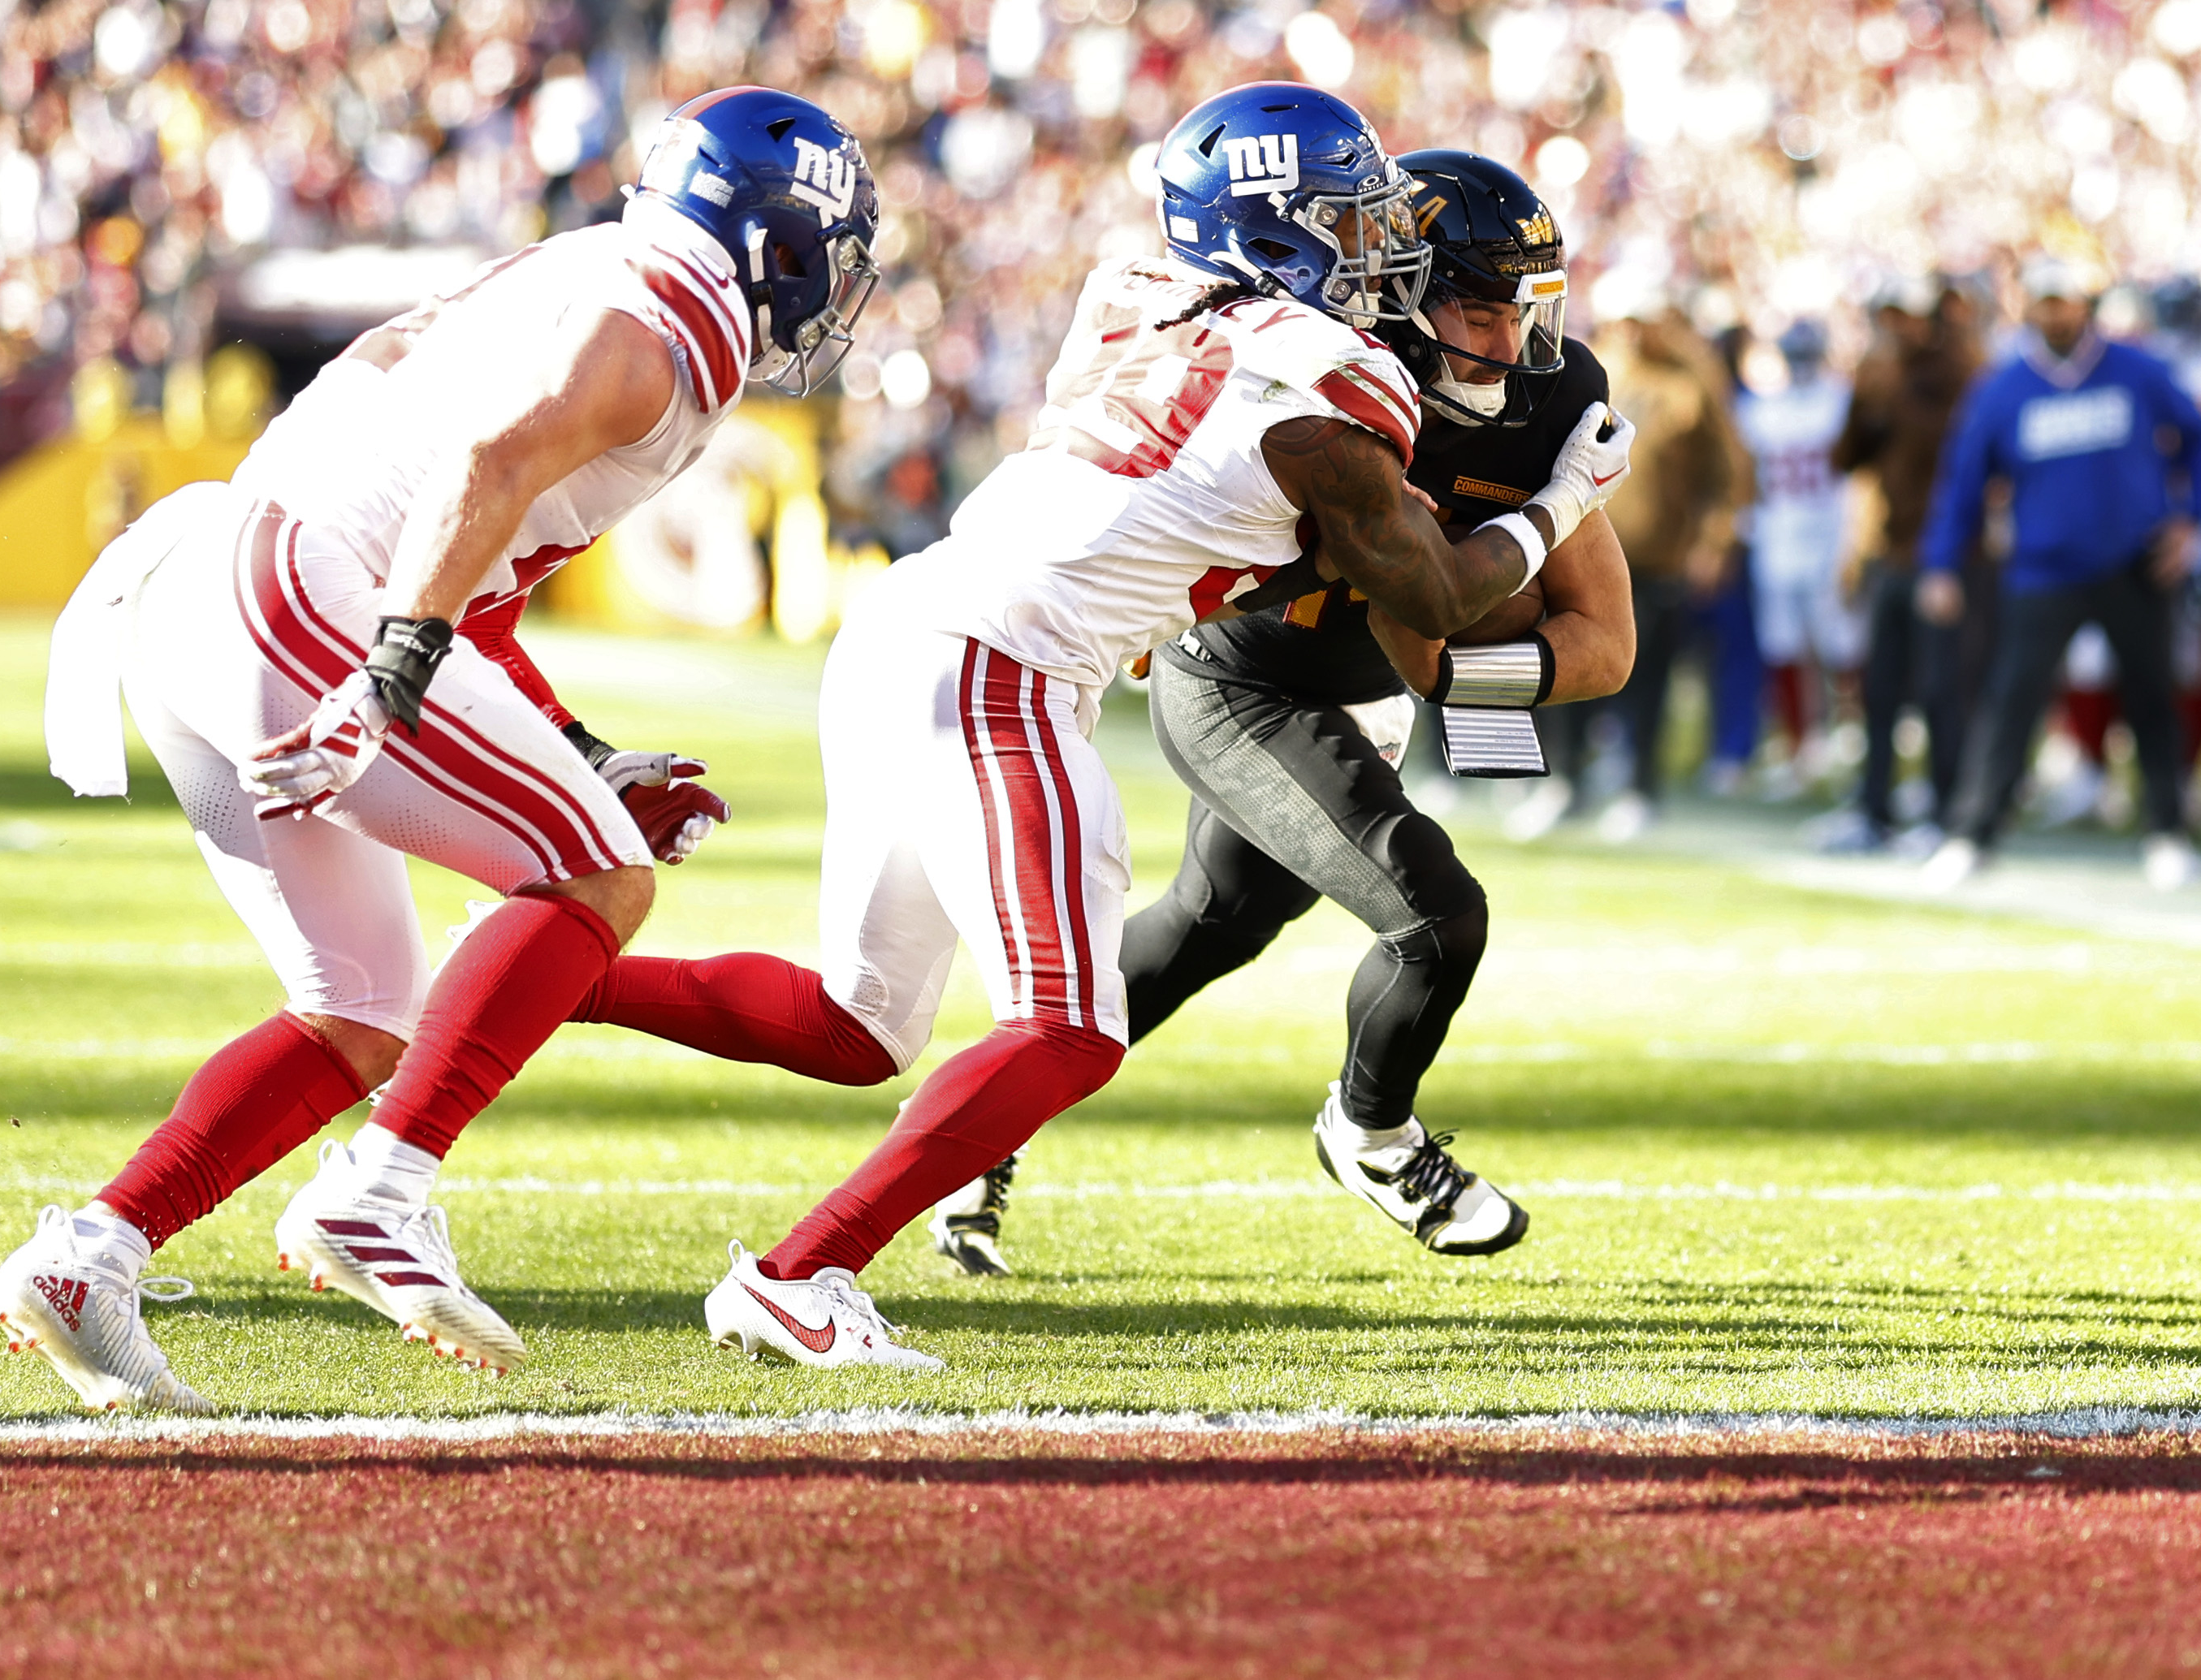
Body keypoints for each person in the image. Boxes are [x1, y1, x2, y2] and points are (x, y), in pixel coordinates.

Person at [565, 85, 1635, 1367]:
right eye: (1350, 224)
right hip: (1017, 664)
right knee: (1074, 1025)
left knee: (865, 1025)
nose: (1380, 252)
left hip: (919, 625)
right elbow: (1434, 596)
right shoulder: (1335, 379)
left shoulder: (1137, 288)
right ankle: (802, 1273)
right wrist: (1559, 498)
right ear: (1272, 237)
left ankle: (529, 978)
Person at [0, 88, 881, 1412]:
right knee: (600, 876)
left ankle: (90, 1252)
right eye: (828, 251)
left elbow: (473, 564)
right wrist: (392, 675)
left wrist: (575, 744)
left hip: (217, 585)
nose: (832, 286)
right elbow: (489, 462)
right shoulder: (672, 318)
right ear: (770, 240)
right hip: (301, 593)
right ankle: (380, 1191)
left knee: (361, 1007)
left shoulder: (590, 267)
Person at [924, 150, 1637, 1278]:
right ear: (1399, 289)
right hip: (1235, 675)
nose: (1509, 346)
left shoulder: (1549, 397)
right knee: (1432, 914)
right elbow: (1424, 598)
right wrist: (1525, 538)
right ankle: (1368, 1133)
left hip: (1359, 694)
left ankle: (976, 1123)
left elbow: (1600, 645)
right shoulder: (1322, 370)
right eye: (1475, 310)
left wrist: (1456, 682)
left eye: (1520, 313)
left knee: (1212, 925)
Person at [1921, 257, 2201, 892]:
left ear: (2087, 302)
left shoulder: (2136, 370)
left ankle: (2166, 832)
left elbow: (2197, 437)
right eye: (2045, 300)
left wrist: (2190, 520)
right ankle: (1973, 833)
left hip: (2132, 563)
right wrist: (1941, 563)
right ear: (2027, 306)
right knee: (2011, 702)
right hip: (2042, 569)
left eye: (2066, 300)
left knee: (2151, 699)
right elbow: (1963, 484)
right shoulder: (2002, 388)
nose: (2056, 312)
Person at [1580, 294, 1753, 843]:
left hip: (1657, 556)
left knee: (1648, 677)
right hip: (1585, 550)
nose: (1628, 330)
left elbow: (1728, 474)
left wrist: (1714, 541)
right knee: (1575, 667)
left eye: (1638, 318)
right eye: (1621, 317)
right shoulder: (1591, 367)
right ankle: (1566, 780)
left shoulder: (1690, 381)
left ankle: (1639, 786)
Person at [1827, 277, 1982, 852]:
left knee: (1943, 688)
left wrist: (1894, 397)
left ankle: (1947, 813)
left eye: (1907, 316)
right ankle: (1875, 810)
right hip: (1889, 551)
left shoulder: (1959, 372)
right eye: (1888, 316)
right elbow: (1845, 457)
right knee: (1881, 688)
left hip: (1944, 552)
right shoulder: (1880, 373)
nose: (1896, 328)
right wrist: (1863, 402)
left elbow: (1956, 453)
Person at [1737, 318, 1863, 800]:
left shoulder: (1842, 401)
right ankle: (1799, 748)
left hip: (1830, 537)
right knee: (1783, 647)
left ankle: (1854, 737)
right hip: (1777, 537)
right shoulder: (1761, 411)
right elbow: (1747, 479)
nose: (1802, 364)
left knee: (1843, 644)